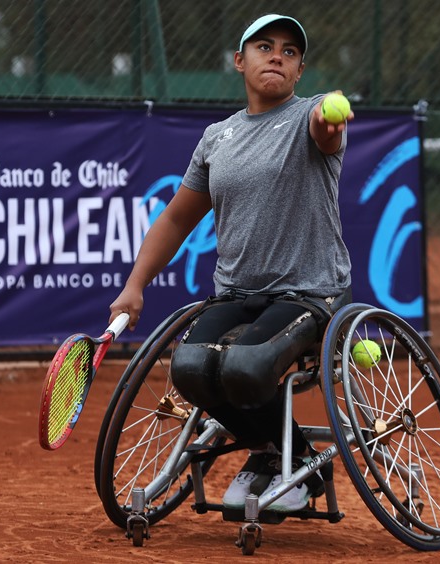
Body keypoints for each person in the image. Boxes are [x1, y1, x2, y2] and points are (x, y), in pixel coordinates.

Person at [109, 14, 353, 513]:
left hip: (310, 292)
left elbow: (326, 134)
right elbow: (176, 219)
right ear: (240, 61)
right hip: (236, 294)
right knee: (191, 368)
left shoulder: (310, 117)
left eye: (289, 52)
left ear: (299, 70)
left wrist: (330, 124)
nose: (277, 57)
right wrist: (135, 285)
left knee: (244, 367)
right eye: (265, 47)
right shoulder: (217, 137)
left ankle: (296, 466)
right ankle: (275, 453)